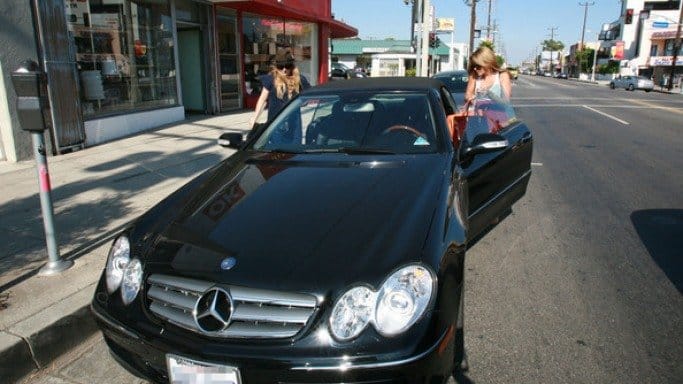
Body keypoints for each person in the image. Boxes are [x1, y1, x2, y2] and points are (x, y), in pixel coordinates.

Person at [249, 49, 311, 128]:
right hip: (274, 125)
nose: (284, 70)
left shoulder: (300, 79)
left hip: (293, 125)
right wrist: (255, 117)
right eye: (281, 66)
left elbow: (307, 97)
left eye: (287, 66)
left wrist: (301, 102)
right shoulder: (271, 79)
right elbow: (263, 99)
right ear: (277, 66)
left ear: (292, 66)